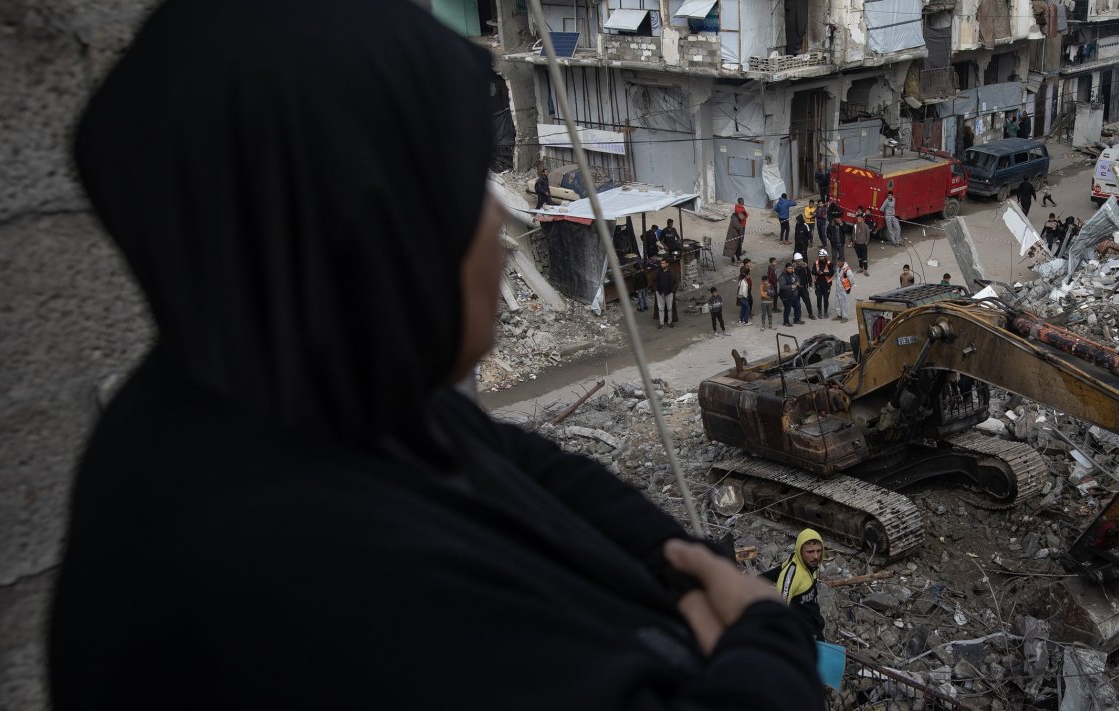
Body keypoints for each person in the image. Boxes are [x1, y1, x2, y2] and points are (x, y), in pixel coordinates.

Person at [51, 2, 822, 708]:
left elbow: (520, 463)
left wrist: (678, 556)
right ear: (366, 235)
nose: (497, 220)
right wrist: (765, 633)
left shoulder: (297, 400)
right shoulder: (306, 578)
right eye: (459, 187)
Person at [760, 530, 826, 640]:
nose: (815, 556)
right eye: (810, 552)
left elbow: (774, 572)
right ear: (800, 552)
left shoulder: (807, 563)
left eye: (819, 551)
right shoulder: (792, 575)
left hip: (814, 624)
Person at [654, 261, 678, 329]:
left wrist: (673, 291)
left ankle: (670, 322)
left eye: (663, 263)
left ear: (667, 264)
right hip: (660, 293)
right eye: (661, 263)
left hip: (669, 293)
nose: (662, 265)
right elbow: (654, 281)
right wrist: (656, 290)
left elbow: (676, 282)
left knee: (669, 308)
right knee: (661, 309)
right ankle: (661, 323)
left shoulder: (671, 273)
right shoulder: (658, 272)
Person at [779, 262, 803, 326]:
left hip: (794, 295)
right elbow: (782, 286)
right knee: (788, 309)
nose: (790, 269)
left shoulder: (793, 274)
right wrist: (791, 286)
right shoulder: (782, 276)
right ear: (785, 269)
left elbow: (798, 278)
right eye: (788, 268)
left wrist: (797, 282)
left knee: (798, 307)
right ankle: (786, 322)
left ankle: (797, 319)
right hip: (786, 295)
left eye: (791, 268)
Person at [812, 250, 833, 319]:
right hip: (818, 284)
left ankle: (826, 312)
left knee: (826, 299)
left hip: (827, 284)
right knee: (819, 298)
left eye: (822, 256)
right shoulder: (816, 263)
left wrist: (823, 273)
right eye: (820, 256)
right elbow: (813, 272)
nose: (821, 257)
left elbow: (831, 272)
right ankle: (820, 312)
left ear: (825, 256)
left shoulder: (829, 263)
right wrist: (818, 273)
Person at [851, 208, 871, 275]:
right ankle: (861, 268)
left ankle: (865, 270)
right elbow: (853, 234)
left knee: (864, 258)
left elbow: (868, 235)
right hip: (857, 244)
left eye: (859, 218)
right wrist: (854, 242)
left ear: (862, 219)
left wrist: (866, 243)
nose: (858, 220)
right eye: (857, 219)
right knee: (859, 257)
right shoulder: (855, 226)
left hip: (863, 244)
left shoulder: (866, 226)